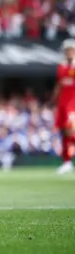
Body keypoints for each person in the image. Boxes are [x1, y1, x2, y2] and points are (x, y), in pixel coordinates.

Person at [54, 39, 75, 174]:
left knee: (70, 130)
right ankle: (66, 162)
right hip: (62, 102)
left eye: (71, 50)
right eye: (67, 50)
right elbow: (59, 85)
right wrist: (54, 99)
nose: (69, 52)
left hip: (73, 103)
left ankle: (68, 159)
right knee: (63, 132)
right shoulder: (61, 67)